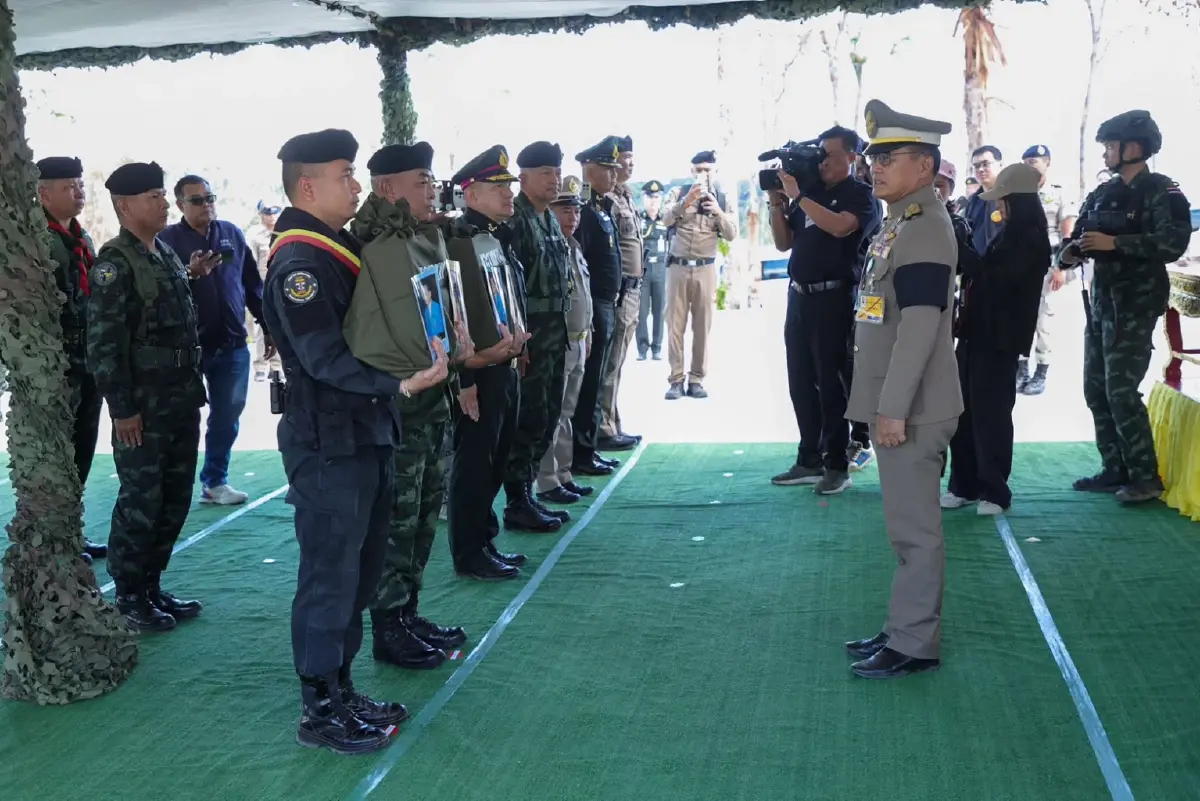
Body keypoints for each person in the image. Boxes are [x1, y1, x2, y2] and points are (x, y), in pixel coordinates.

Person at [264, 129, 409, 754]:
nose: (355, 185)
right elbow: (322, 356)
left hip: (361, 432)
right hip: (328, 442)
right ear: (307, 186)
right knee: (330, 574)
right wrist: (398, 381)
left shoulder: (335, 247)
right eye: (345, 174)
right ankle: (319, 708)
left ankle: (342, 689)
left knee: (359, 570)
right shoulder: (300, 261)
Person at [844, 100, 962, 680]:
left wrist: (891, 408)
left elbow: (919, 326)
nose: (876, 166)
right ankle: (902, 627)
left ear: (925, 166)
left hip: (913, 407)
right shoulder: (902, 222)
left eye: (890, 157)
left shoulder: (926, 227)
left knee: (915, 532)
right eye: (875, 157)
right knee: (904, 528)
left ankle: (915, 643)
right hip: (897, 400)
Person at [351, 141, 462, 672]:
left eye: (432, 180)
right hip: (397, 405)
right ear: (386, 187)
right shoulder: (369, 243)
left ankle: (408, 610)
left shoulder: (421, 237)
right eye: (422, 181)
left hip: (431, 398)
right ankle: (388, 626)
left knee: (422, 513)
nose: (431, 190)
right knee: (396, 518)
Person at [86, 161, 209, 632]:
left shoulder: (164, 253)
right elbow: (104, 345)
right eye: (152, 196)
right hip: (143, 405)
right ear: (124, 205)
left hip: (180, 397)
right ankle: (129, 595)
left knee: (175, 497)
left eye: (161, 195)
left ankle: (152, 586)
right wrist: (122, 409)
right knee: (142, 500)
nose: (163, 203)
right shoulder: (114, 264)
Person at [1058, 110, 1192, 504]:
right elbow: (1078, 236)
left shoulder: (1163, 191)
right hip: (1101, 304)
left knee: (1121, 391)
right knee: (1096, 389)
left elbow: (1173, 243)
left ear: (1133, 148)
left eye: (1110, 146)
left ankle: (1145, 478)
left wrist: (1116, 243)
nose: (1105, 154)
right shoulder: (1103, 193)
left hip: (1135, 304)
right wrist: (1070, 253)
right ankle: (1114, 469)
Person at [767, 126, 880, 495]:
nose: (822, 162)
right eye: (819, 155)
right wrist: (776, 203)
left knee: (830, 383)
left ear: (852, 156)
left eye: (829, 155)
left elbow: (841, 227)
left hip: (835, 298)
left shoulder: (861, 195)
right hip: (799, 296)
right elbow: (783, 243)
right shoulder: (809, 193)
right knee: (800, 380)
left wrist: (798, 196)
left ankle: (836, 465)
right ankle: (809, 459)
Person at [446, 144, 537, 578]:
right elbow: (456, 314)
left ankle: (484, 540)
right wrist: (465, 378)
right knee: (474, 465)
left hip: (505, 363)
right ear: (471, 194)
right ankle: (469, 551)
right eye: (497, 186)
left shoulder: (494, 236)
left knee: (495, 461)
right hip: (480, 369)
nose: (508, 194)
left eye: (508, 186)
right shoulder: (459, 241)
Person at [942, 163, 1050, 515]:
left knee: (991, 416)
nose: (998, 205)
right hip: (976, 333)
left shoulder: (1030, 238)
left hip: (999, 339)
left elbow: (997, 280)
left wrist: (962, 247)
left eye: (1003, 199)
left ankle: (994, 491)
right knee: (964, 413)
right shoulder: (1008, 234)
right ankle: (965, 485)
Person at [160, 174, 268, 506]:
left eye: (210, 198)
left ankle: (214, 482)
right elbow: (157, 294)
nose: (206, 205)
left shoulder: (231, 234)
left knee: (227, 416)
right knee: (180, 420)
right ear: (180, 204)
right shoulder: (165, 241)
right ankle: (169, 486)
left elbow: (252, 285)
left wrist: (268, 325)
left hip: (232, 344)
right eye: (197, 200)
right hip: (186, 348)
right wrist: (190, 274)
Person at [36, 156, 107, 563]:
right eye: (69, 186)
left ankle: (71, 534)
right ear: (44, 194)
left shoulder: (82, 238)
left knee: (81, 452)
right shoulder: (36, 241)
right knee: (57, 457)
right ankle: (52, 540)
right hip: (57, 365)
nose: (79, 193)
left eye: (80, 185)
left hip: (88, 360)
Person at [504, 141, 575, 522]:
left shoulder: (547, 218)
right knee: (528, 420)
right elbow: (510, 286)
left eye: (557, 172)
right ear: (524, 178)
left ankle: (528, 494)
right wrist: (520, 342)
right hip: (530, 336)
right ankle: (517, 500)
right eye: (546, 173)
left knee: (547, 416)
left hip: (554, 335)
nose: (554, 179)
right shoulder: (516, 219)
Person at [537, 175, 597, 504]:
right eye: (565, 210)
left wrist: (587, 333)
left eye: (575, 210)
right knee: (553, 413)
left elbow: (582, 296)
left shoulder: (573, 246)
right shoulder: (548, 246)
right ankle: (547, 480)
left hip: (578, 340)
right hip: (557, 343)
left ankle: (563, 473)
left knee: (567, 412)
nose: (572, 217)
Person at [661, 151, 738, 400]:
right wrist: (686, 202)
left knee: (702, 326)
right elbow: (665, 219)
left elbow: (731, 234)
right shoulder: (678, 193)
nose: (702, 174)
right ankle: (676, 379)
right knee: (674, 325)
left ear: (715, 171)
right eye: (698, 170)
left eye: (707, 170)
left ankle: (696, 379)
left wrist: (718, 211)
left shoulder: (722, 199)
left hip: (706, 268)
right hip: (678, 267)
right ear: (691, 170)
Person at [571, 136, 624, 477]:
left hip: (608, 303)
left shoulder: (602, 207)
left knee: (598, 378)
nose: (614, 176)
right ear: (589, 170)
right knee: (589, 382)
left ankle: (589, 448)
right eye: (608, 169)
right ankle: (581, 453)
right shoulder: (585, 211)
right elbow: (581, 264)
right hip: (595, 304)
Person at [1016, 145, 1079, 396]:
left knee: (1044, 319)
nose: (1029, 167)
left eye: (1033, 161)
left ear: (1047, 163)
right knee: (1021, 317)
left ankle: (1041, 372)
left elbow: (1067, 234)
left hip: (1049, 261)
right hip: (1022, 263)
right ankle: (1022, 369)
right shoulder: (1019, 193)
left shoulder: (1058, 194)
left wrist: (1061, 267)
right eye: (1025, 162)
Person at [597, 135, 643, 451]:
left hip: (633, 290)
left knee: (618, 362)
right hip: (619, 291)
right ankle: (604, 428)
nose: (628, 164)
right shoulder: (607, 200)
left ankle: (612, 420)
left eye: (631, 159)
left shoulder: (626, 195)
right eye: (624, 159)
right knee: (610, 363)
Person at [246, 200, 282, 381]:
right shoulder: (254, 235)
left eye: (275, 211)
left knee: (281, 325)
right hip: (262, 287)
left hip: (281, 286)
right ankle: (261, 365)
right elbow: (249, 264)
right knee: (263, 326)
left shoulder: (285, 231)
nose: (272, 215)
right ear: (260, 214)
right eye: (268, 212)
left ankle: (277, 366)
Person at [637, 179, 669, 361]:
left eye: (656, 197)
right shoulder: (637, 219)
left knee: (659, 310)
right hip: (642, 269)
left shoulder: (667, 220)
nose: (653, 201)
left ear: (661, 199)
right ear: (644, 198)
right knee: (641, 311)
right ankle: (642, 348)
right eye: (650, 197)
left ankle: (656, 347)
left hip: (661, 268)